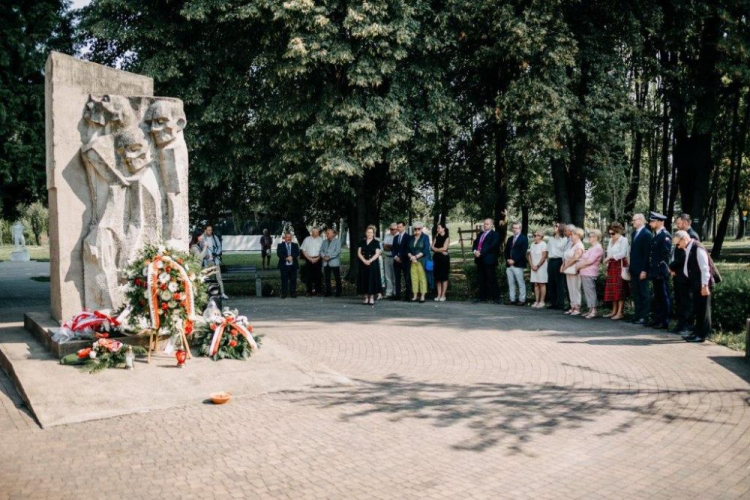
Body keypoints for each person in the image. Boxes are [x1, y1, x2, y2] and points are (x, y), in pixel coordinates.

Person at [673, 231, 712, 343]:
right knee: (697, 309)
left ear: (684, 238)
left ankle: (701, 335)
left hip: (703, 284)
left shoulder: (698, 248)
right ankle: (696, 332)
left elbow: (705, 269)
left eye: (678, 243)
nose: (678, 246)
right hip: (695, 283)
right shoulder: (689, 247)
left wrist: (704, 285)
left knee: (703, 310)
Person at [669, 213, 700, 335]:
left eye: (679, 223)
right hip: (678, 274)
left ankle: (687, 325)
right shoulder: (680, 235)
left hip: (685, 275)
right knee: (679, 300)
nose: (677, 225)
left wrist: (671, 266)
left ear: (686, 222)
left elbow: (685, 256)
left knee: (686, 301)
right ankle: (680, 324)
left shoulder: (692, 236)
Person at [647, 212, 672, 329]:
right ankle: (657, 319)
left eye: (652, 221)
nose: (650, 223)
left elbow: (665, 256)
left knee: (663, 296)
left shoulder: (665, 235)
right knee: (657, 296)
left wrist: (662, 271)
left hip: (661, 272)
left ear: (659, 222)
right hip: (655, 272)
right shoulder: (656, 235)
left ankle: (664, 320)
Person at [628, 213, 652, 325]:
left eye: (634, 220)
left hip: (642, 269)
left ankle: (644, 316)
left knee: (644, 293)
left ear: (641, 220)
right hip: (634, 268)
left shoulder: (647, 234)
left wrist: (645, 270)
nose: (632, 222)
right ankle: (637, 314)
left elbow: (647, 254)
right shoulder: (634, 234)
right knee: (636, 293)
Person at [603, 222, 630, 320]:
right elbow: (608, 252)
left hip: (620, 265)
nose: (611, 235)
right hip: (611, 265)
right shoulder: (611, 240)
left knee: (620, 289)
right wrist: (607, 264)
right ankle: (614, 311)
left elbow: (623, 253)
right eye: (610, 233)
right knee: (612, 289)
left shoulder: (624, 240)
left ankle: (620, 312)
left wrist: (611, 257)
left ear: (619, 232)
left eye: (613, 233)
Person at [472, 218, 501, 304]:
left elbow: (492, 246)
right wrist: (475, 251)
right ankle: (482, 297)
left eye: (487, 224)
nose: (485, 225)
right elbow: (475, 244)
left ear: (492, 225)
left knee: (491, 279)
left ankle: (496, 298)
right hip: (479, 260)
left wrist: (480, 252)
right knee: (481, 279)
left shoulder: (495, 234)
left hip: (489, 260)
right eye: (484, 224)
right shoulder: (480, 234)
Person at [577, 229, 604, 319]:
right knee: (587, 292)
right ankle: (590, 309)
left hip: (590, 272)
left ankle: (594, 310)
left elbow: (590, 261)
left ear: (596, 237)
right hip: (585, 271)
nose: (589, 238)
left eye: (591, 236)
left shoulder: (598, 248)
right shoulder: (592, 247)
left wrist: (579, 266)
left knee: (590, 291)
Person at [561, 227, 584, 316]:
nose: (571, 235)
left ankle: (577, 307)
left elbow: (575, 258)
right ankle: (572, 306)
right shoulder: (571, 244)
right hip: (568, 268)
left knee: (575, 288)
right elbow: (566, 256)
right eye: (572, 234)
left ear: (578, 236)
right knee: (570, 288)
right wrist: (563, 265)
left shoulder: (579, 245)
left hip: (574, 268)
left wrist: (566, 266)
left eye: (573, 234)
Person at [504, 222, 529, 306]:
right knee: (511, 283)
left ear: (520, 229)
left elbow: (523, 252)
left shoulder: (524, 238)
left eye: (516, 228)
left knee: (520, 282)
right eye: (513, 228)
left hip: (518, 264)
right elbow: (506, 250)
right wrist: (507, 259)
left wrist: (514, 260)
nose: (515, 229)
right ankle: (512, 299)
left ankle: (522, 299)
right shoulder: (510, 238)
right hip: (509, 264)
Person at [357, 225, 382, 305]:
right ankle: (365, 297)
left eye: (371, 232)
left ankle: (371, 297)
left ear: (373, 233)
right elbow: (359, 253)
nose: (369, 234)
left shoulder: (376, 242)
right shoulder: (362, 242)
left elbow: (377, 253)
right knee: (364, 279)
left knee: (372, 279)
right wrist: (364, 260)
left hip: (372, 263)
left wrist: (370, 260)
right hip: (363, 263)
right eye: (368, 232)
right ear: (366, 233)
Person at [546, 222, 568, 310]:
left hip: (559, 260)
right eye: (554, 226)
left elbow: (561, 247)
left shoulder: (564, 239)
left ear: (561, 228)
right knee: (551, 282)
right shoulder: (551, 239)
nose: (554, 227)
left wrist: (558, 235)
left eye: (556, 226)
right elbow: (548, 250)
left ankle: (560, 303)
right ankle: (553, 303)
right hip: (551, 260)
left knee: (559, 283)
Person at [408, 222, 431, 303]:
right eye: (415, 229)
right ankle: (414, 296)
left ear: (421, 229)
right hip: (412, 261)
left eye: (419, 228)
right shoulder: (411, 238)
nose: (417, 230)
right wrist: (411, 256)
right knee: (414, 279)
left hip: (421, 260)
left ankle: (422, 296)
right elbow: (408, 249)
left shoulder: (425, 237)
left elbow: (426, 249)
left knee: (422, 278)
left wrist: (416, 257)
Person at [203, 224, 227, 299]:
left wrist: (216, 253)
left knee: (219, 277)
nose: (210, 231)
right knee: (204, 278)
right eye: (208, 230)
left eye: (211, 230)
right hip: (207, 261)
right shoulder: (203, 238)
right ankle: (204, 294)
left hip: (215, 261)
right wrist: (205, 255)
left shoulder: (214, 237)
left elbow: (219, 246)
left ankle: (222, 293)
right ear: (205, 230)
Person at [527, 229, 548, 308]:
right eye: (534, 235)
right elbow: (529, 255)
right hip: (533, 266)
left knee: (541, 283)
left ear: (541, 236)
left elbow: (544, 257)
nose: (535, 237)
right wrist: (532, 265)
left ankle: (542, 301)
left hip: (541, 267)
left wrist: (538, 266)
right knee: (536, 284)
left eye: (536, 235)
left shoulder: (543, 244)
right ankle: (536, 301)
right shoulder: (532, 244)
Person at [391, 221, 412, 300]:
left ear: (404, 227)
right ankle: (397, 295)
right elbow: (393, 249)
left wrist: (401, 257)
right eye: (398, 227)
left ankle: (408, 295)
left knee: (407, 278)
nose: (398, 229)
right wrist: (395, 257)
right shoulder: (396, 237)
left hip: (405, 260)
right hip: (396, 261)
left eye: (400, 227)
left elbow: (407, 249)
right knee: (397, 278)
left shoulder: (408, 237)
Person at [300, 228, 324, 296]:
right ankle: (309, 291)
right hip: (309, 259)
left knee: (318, 275)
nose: (317, 233)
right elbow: (303, 250)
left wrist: (317, 258)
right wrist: (309, 258)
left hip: (318, 259)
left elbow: (323, 251)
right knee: (309, 275)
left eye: (318, 232)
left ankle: (318, 291)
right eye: (315, 232)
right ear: (312, 233)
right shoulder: (307, 239)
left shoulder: (321, 240)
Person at [276, 232, 300, 298]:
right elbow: (279, 254)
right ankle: (284, 293)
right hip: (284, 265)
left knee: (293, 279)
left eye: (290, 237)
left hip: (293, 265)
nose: (289, 238)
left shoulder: (295, 245)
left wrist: (292, 257)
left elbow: (297, 253)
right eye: (287, 237)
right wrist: (286, 258)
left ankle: (293, 293)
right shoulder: (280, 245)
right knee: (284, 279)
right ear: (284, 238)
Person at [320, 227, 342, 297]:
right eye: (326, 233)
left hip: (334, 263)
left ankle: (339, 292)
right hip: (326, 263)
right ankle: (328, 292)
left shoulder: (337, 241)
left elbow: (337, 251)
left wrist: (329, 257)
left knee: (337, 278)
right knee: (327, 278)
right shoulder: (324, 242)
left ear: (333, 234)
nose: (327, 234)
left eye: (329, 233)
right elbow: (321, 251)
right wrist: (324, 257)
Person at [431, 223, 451, 301]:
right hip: (436, 258)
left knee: (444, 277)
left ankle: (443, 295)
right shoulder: (436, 237)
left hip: (444, 259)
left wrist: (437, 249)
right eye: (437, 228)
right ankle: (438, 294)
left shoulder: (447, 237)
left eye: (439, 228)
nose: (437, 229)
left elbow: (445, 248)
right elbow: (432, 247)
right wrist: (439, 250)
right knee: (438, 278)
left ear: (443, 229)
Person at [382, 223, 398, 298]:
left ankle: (395, 291)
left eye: (393, 229)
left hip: (395, 257)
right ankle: (389, 292)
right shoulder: (387, 236)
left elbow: (396, 248)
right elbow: (384, 247)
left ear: (397, 229)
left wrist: (390, 246)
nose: (391, 231)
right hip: (387, 256)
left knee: (395, 275)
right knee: (388, 275)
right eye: (390, 229)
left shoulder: (398, 236)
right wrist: (391, 246)